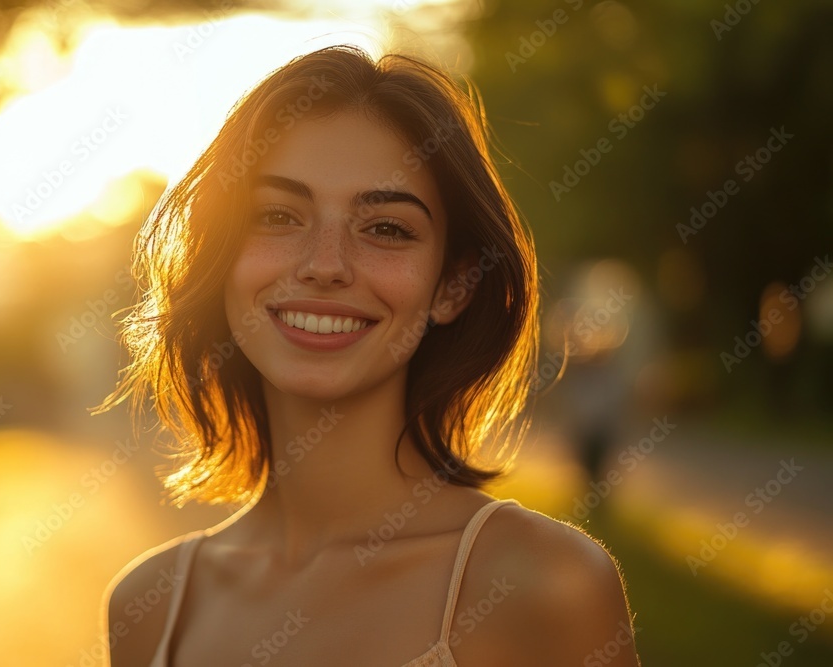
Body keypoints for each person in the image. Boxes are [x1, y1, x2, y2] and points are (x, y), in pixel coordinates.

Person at [99, 45, 640, 666]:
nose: (325, 265)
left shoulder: (543, 584)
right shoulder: (149, 608)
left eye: (385, 227)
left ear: (454, 284)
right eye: (278, 215)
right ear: (221, 257)